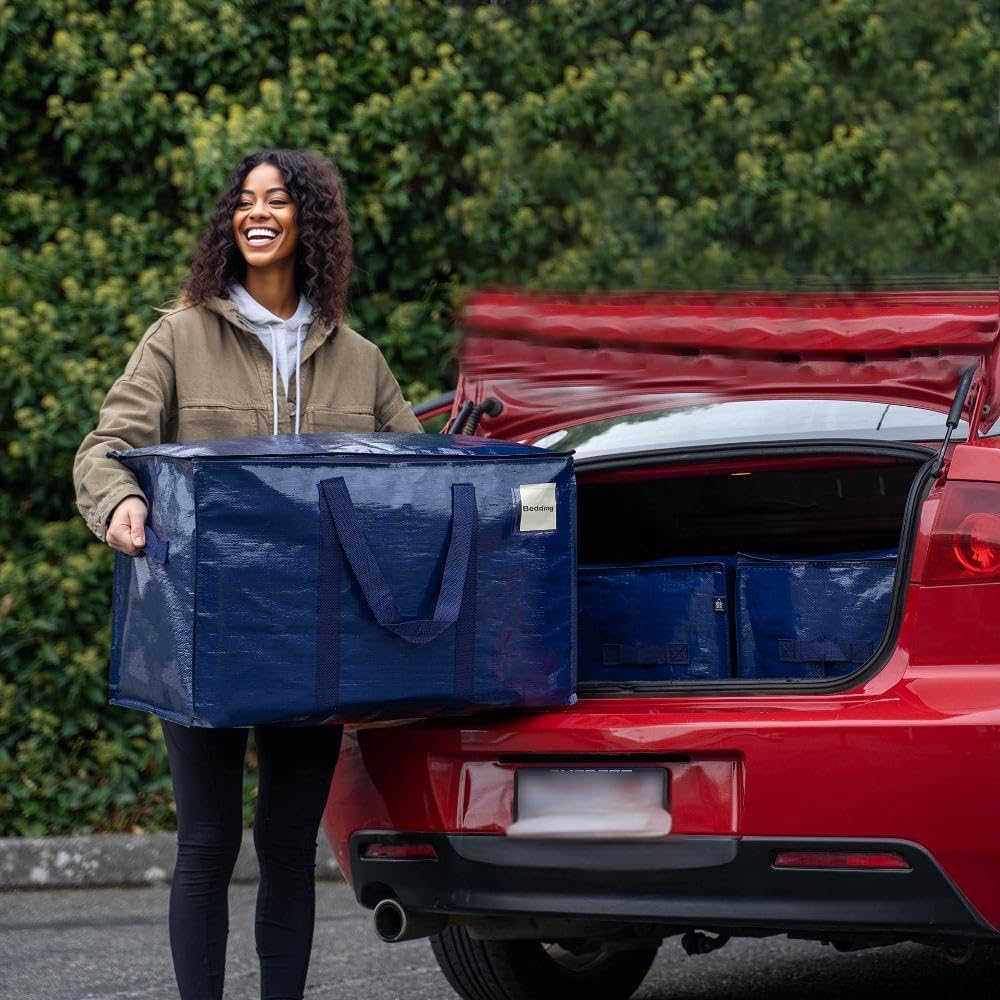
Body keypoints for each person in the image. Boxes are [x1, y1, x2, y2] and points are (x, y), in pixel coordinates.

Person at [73, 149, 422, 1000]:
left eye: (277, 200)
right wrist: (119, 502)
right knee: (206, 842)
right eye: (244, 201)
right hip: (205, 628)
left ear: (310, 223)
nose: (256, 212)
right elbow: (103, 449)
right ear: (231, 223)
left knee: (289, 846)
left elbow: (416, 479)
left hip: (316, 636)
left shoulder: (359, 358)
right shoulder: (179, 335)